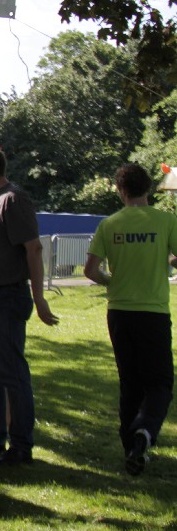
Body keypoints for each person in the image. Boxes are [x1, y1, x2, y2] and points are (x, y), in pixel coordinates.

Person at [0, 141, 58, 464]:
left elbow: (33, 249)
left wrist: (39, 298)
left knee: (11, 373)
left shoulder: (12, 200)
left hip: (6, 297)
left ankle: (20, 445)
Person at [85, 163, 177, 475]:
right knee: (160, 383)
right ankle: (145, 431)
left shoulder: (110, 224)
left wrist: (111, 281)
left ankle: (131, 447)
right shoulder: (166, 221)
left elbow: (90, 270)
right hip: (153, 312)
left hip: (119, 313)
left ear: (121, 190)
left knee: (130, 381)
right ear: (148, 188)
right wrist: (168, 260)